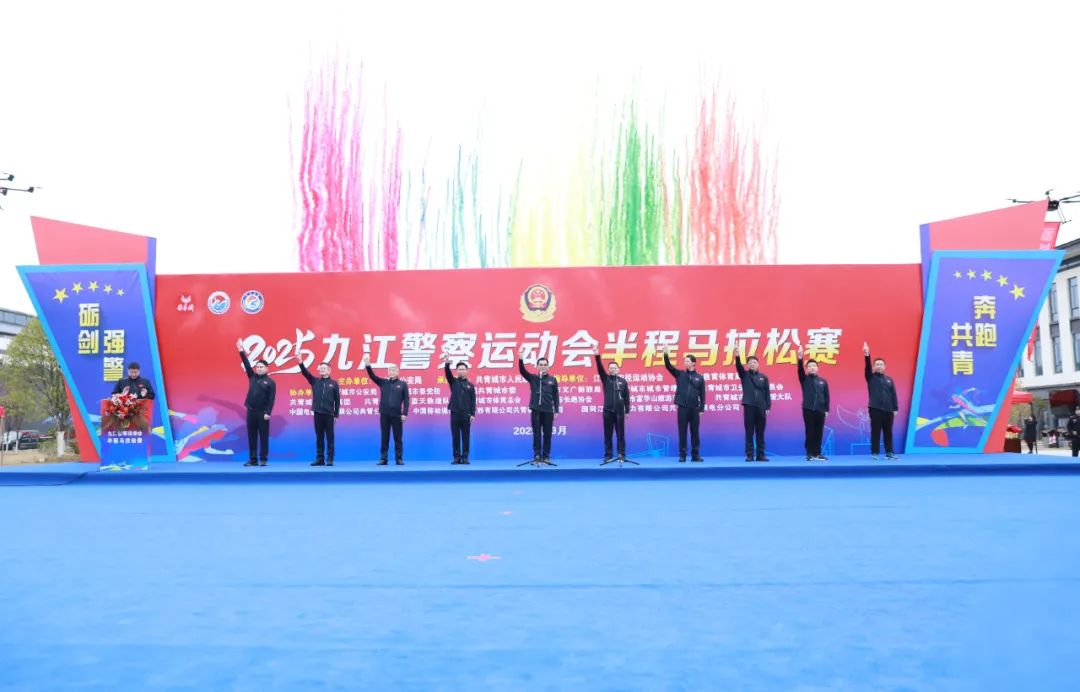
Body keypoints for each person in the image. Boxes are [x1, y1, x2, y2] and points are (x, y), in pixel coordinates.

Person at [662, 345, 705, 462]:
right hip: (682, 408)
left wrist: (701, 409)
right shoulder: (680, 374)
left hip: (694, 408)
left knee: (695, 433)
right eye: (685, 361)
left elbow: (702, 394)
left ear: (693, 363)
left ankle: (695, 455)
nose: (685, 363)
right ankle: (682, 455)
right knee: (682, 432)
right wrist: (665, 354)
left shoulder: (699, 378)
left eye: (687, 361)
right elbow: (668, 366)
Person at [236, 339, 276, 467]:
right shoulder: (252, 377)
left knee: (263, 437)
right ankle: (253, 460)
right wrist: (241, 350)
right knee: (252, 436)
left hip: (263, 413)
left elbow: (271, 398)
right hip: (251, 412)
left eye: (261, 367)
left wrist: (268, 412)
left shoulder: (270, 382)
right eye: (257, 367)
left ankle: (263, 459)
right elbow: (246, 363)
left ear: (266, 369)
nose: (258, 369)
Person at [364, 356, 410, 465]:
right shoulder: (383, 382)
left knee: (398, 438)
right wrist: (368, 365)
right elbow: (372, 376)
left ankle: (399, 459)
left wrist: (404, 413)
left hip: (397, 415)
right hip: (384, 414)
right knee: (384, 437)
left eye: (394, 370)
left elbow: (406, 400)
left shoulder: (402, 384)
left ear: (397, 372)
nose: (391, 372)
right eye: (390, 370)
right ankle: (383, 459)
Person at [518, 348, 560, 465]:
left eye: (545, 365)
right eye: (541, 365)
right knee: (536, 434)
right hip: (536, 410)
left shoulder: (552, 380)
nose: (543, 367)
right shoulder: (533, 378)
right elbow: (522, 371)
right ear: (537, 366)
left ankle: (546, 456)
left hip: (548, 411)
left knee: (547, 434)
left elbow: (556, 396)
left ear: (548, 367)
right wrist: (520, 358)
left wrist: (556, 410)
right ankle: (537, 455)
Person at [297, 359, 340, 466]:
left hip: (329, 415)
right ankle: (320, 459)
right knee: (319, 437)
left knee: (330, 437)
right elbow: (305, 373)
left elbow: (337, 400)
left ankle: (330, 458)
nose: (321, 369)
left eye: (324, 368)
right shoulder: (315, 381)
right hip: (317, 414)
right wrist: (300, 363)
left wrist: (336, 415)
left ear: (329, 371)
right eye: (320, 368)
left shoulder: (334, 384)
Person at [594, 347, 632, 463]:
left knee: (620, 435)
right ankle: (608, 455)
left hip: (620, 413)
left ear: (618, 369)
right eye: (611, 368)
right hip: (608, 412)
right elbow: (600, 368)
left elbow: (626, 397)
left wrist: (627, 411)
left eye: (615, 368)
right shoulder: (606, 379)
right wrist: (597, 355)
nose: (613, 369)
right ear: (609, 370)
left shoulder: (623, 381)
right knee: (608, 435)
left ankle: (621, 455)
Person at [863, 342, 900, 460]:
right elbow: (867, 367)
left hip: (889, 410)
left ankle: (889, 453)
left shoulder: (889, 380)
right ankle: (875, 453)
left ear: (885, 366)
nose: (879, 366)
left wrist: (895, 408)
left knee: (888, 431)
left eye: (881, 364)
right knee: (876, 431)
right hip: (875, 409)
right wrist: (867, 354)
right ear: (874, 367)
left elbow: (893, 394)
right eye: (877, 364)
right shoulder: (870, 377)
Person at [735, 353, 771, 461]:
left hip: (761, 407)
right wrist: (737, 357)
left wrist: (768, 407)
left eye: (754, 362)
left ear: (758, 364)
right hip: (749, 406)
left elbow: (767, 393)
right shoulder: (744, 375)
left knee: (760, 432)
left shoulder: (763, 377)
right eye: (750, 363)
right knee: (749, 432)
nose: (752, 364)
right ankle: (749, 455)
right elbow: (739, 367)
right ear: (747, 365)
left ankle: (761, 455)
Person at [796, 346, 830, 461]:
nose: (812, 367)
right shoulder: (804, 379)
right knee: (810, 431)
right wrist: (800, 358)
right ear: (807, 369)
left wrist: (826, 409)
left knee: (819, 432)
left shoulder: (823, 381)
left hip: (820, 410)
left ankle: (817, 453)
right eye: (809, 366)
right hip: (808, 409)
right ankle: (809, 453)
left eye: (814, 366)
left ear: (817, 368)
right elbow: (800, 370)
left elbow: (826, 396)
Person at [442, 355, 477, 465]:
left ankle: (465, 457)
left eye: (463, 369)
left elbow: (473, 401)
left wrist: (472, 414)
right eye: (460, 369)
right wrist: (447, 364)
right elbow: (448, 374)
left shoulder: (471, 385)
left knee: (466, 437)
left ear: (467, 371)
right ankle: (456, 457)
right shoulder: (453, 382)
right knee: (455, 437)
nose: (462, 371)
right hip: (455, 413)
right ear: (457, 371)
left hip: (466, 415)